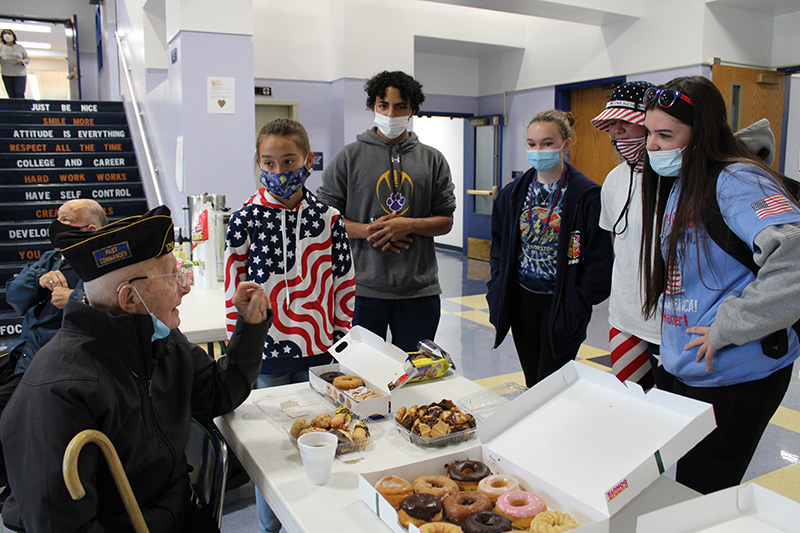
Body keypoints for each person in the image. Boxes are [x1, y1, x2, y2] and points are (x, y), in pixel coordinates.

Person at [0, 205, 271, 532]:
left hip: (175, 514)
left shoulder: (159, 343)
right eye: (172, 276)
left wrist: (251, 327)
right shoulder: (61, 388)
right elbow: (63, 525)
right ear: (129, 299)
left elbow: (218, 392)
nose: (185, 287)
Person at [639, 75, 800, 494]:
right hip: (686, 366)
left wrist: (729, 325)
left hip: (734, 374)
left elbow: (796, 261)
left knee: (702, 491)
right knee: (681, 486)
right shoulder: (682, 182)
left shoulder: (738, 181)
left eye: (665, 134)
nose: (651, 145)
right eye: (649, 132)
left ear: (703, 132)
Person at [224, 118, 355, 533]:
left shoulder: (329, 218)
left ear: (308, 160)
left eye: (289, 161)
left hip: (320, 351)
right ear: (258, 163)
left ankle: (318, 517)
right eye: (269, 162)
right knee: (274, 448)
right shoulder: (244, 217)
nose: (279, 172)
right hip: (268, 355)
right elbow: (234, 287)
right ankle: (270, 526)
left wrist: (339, 342)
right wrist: (239, 343)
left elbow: (344, 282)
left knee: (325, 438)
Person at [317, 70, 456, 352]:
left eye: (400, 106)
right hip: (361, 290)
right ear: (373, 107)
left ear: (412, 109)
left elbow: (445, 221)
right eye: (383, 105)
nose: (391, 113)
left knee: (415, 377)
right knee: (362, 378)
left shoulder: (433, 160)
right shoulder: (348, 157)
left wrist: (409, 225)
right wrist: (370, 230)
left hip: (419, 290)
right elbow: (326, 220)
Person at [487, 110, 613, 387]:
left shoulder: (586, 196)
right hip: (522, 300)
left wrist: (579, 300)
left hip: (562, 302)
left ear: (566, 144)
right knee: (533, 380)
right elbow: (498, 246)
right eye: (532, 144)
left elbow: (599, 258)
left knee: (552, 381)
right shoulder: (512, 193)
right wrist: (497, 283)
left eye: (547, 143)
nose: (538, 150)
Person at [590, 80, 670, 391]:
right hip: (624, 319)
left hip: (669, 327)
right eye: (611, 125)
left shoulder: (677, 181)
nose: (615, 132)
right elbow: (617, 243)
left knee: (669, 415)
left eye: (624, 123)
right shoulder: (614, 179)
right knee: (629, 404)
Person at [3, 199, 108, 383]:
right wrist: (37, 280)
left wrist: (74, 299)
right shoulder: (52, 258)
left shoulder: (105, 265)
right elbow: (14, 296)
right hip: (25, 357)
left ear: (90, 229)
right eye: (57, 218)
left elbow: (116, 311)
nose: (56, 226)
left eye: (66, 221)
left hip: (62, 368)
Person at [0, 29, 29, 99]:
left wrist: (21, 61)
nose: (7, 35)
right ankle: (13, 108)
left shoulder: (20, 47)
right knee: (11, 94)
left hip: (19, 74)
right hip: (6, 73)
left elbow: (27, 59)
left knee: (19, 93)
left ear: (13, 36)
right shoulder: (1, 47)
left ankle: (21, 109)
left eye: (9, 33)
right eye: (5, 33)